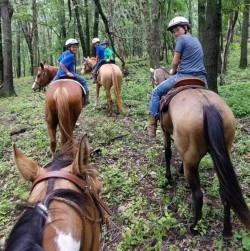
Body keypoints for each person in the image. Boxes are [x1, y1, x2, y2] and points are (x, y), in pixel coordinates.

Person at [146, 16, 207, 138]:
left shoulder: (181, 40)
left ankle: (152, 125)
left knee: (156, 92)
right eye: (173, 32)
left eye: (177, 29)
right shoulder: (196, 40)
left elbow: (175, 62)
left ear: (185, 28)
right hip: (201, 78)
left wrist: (173, 71)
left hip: (183, 76)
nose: (175, 33)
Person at [52, 38, 89, 105]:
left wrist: (61, 69)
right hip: (70, 72)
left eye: (76, 47)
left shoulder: (64, 53)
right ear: (69, 47)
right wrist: (67, 72)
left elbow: (58, 61)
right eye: (73, 47)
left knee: (51, 85)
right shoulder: (71, 55)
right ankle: (86, 99)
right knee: (84, 81)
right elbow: (62, 63)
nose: (75, 48)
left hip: (59, 73)